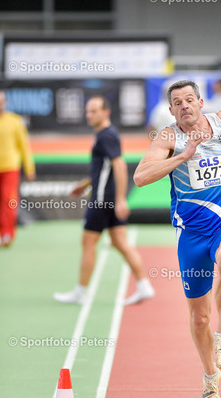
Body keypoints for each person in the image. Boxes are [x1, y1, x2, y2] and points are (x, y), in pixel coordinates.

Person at [133, 80, 221, 398]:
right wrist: (183, 156)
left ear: (200, 102)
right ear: (171, 111)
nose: (185, 105)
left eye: (189, 99)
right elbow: (140, 177)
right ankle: (210, 378)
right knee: (199, 317)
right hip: (191, 233)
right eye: (178, 102)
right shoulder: (168, 137)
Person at [54, 96, 155, 306]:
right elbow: (103, 170)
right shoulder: (104, 135)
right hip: (107, 197)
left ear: (106, 112)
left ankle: (80, 292)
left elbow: (119, 165)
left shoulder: (106, 135)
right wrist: (85, 184)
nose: (89, 115)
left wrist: (120, 199)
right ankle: (144, 285)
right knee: (120, 242)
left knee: (88, 242)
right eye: (87, 111)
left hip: (102, 200)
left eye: (93, 111)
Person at [0, 89, 35, 247]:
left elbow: (24, 146)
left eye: (1, 102)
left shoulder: (15, 121)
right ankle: (1, 232)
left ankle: (9, 232)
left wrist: (29, 168)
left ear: (5, 103)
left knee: (8, 200)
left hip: (10, 167)